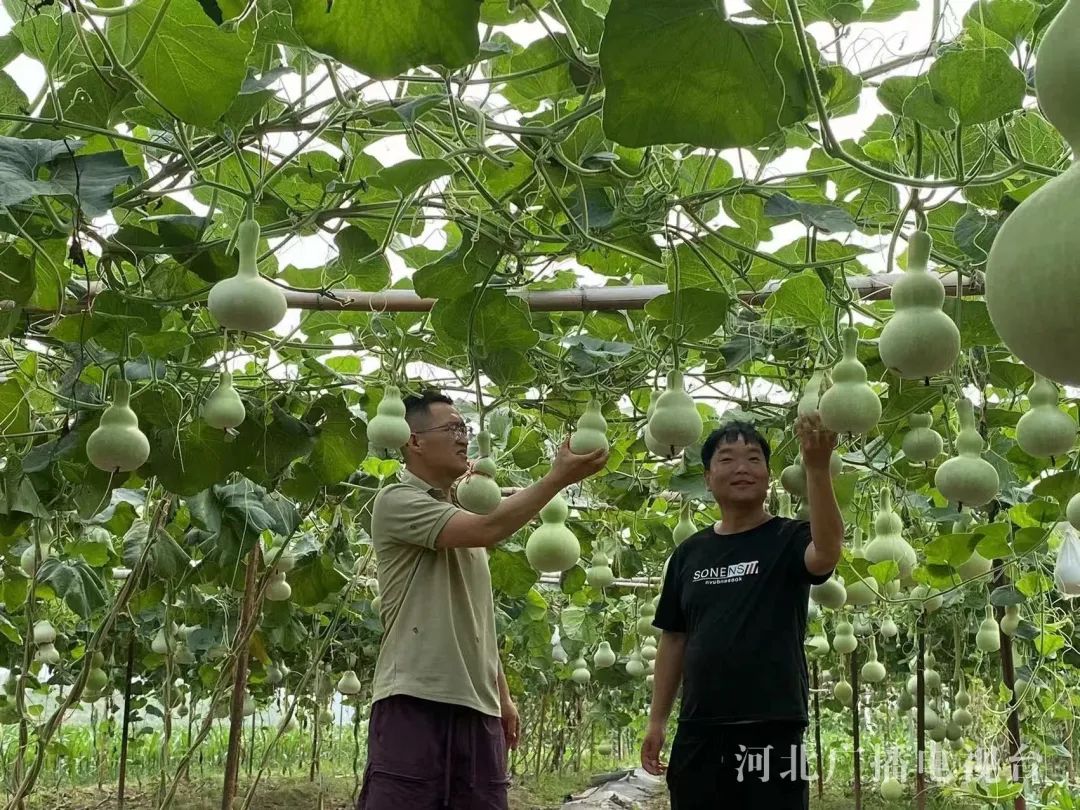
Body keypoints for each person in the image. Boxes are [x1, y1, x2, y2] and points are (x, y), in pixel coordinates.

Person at [358, 389, 608, 810]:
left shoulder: (458, 515)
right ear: (413, 441)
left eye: (465, 428)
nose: (464, 438)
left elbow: (477, 618)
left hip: (478, 704)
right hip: (416, 696)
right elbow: (491, 527)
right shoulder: (396, 501)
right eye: (453, 428)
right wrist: (556, 478)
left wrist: (503, 695)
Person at [641, 414, 844, 810]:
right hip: (700, 727)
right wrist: (657, 721)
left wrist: (817, 468)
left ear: (768, 476)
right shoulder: (689, 554)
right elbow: (674, 637)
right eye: (727, 458)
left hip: (773, 726)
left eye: (753, 459)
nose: (741, 468)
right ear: (707, 477)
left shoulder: (789, 537)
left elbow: (827, 552)